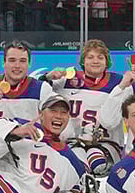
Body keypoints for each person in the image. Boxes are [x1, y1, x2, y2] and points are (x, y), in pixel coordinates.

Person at [43, 39, 124, 175]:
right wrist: (47, 77)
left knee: (99, 163)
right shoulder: (67, 80)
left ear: (107, 62)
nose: (95, 61)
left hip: (106, 142)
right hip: (73, 142)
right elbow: (40, 90)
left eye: (100, 57)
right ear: (83, 61)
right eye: (90, 57)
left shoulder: (118, 82)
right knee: (76, 164)